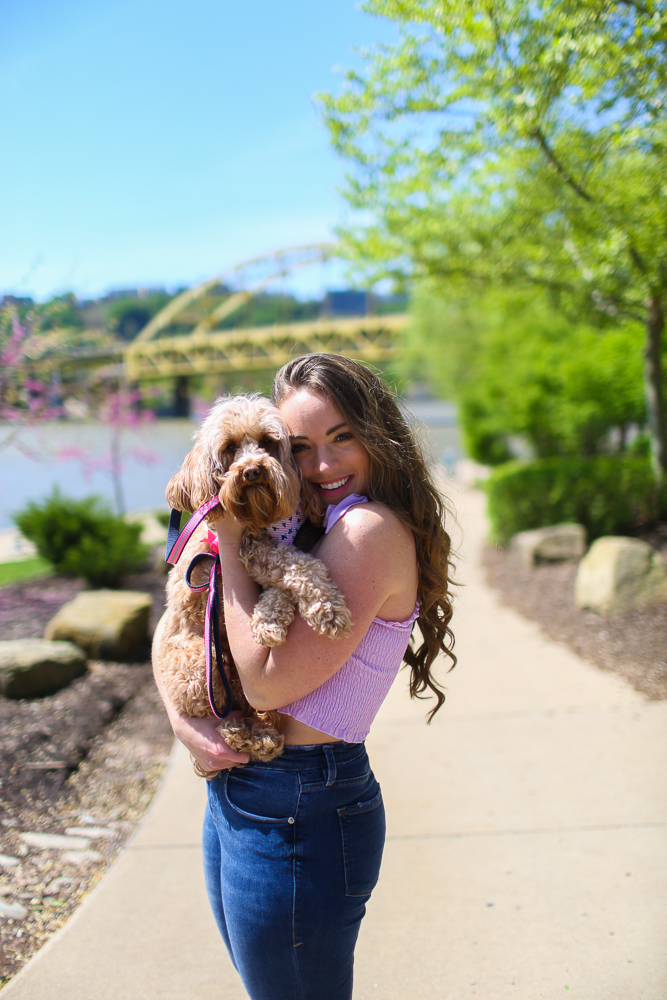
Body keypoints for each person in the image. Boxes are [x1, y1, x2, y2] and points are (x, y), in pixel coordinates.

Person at [153, 354, 455, 1000]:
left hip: (300, 809)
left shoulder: (367, 532)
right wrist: (184, 722)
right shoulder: (306, 524)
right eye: (301, 448)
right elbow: (170, 630)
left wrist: (228, 540)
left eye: (341, 438)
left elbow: (263, 685)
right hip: (243, 793)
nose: (321, 466)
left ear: (378, 435)